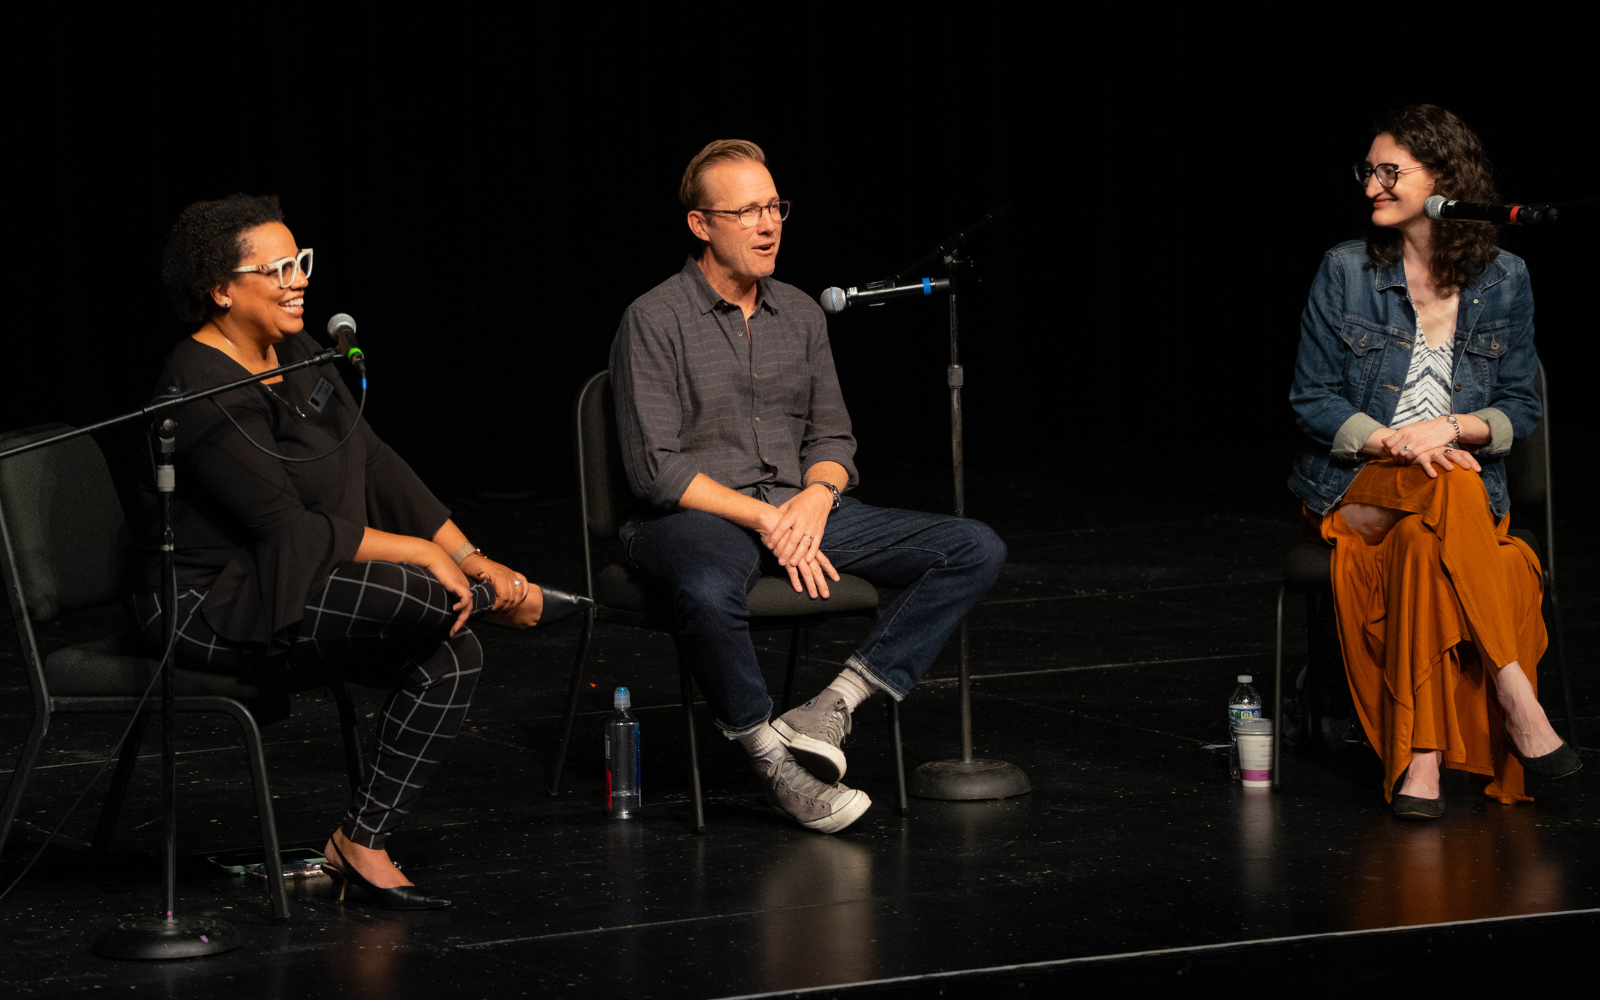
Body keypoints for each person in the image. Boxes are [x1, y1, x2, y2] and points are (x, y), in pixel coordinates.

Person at [139, 194, 585, 907]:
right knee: (422, 594)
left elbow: (374, 462)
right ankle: (485, 605)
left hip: (294, 575)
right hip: (215, 601)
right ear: (221, 289)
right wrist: (425, 558)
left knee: (454, 649)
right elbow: (287, 525)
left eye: (301, 262)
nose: (298, 279)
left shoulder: (303, 351)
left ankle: (360, 840)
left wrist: (467, 555)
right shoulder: (196, 384)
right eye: (277, 268)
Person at [610, 140, 1008, 834]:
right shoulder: (654, 319)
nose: (768, 225)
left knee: (973, 546)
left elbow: (832, 441)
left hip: (800, 509)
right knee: (706, 589)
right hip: (694, 516)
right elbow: (657, 470)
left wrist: (815, 498)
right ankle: (772, 761)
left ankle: (835, 704)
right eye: (747, 211)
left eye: (775, 207)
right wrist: (766, 522)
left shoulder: (800, 314)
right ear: (701, 224)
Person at [1287, 104, 1580, 820]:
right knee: (1441, 482)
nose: (1371, 187)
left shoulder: (1505, 277)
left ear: (1445, 180)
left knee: (1431, 528)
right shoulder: (1345, 271)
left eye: (1391, 172)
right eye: (1369, 171)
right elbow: (1312, 400)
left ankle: (1419, 764)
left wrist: (1448, 428)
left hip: (1449, 499)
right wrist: (1396, 440)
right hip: (1355, 490)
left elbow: (1521, 405)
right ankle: (1519, 699)